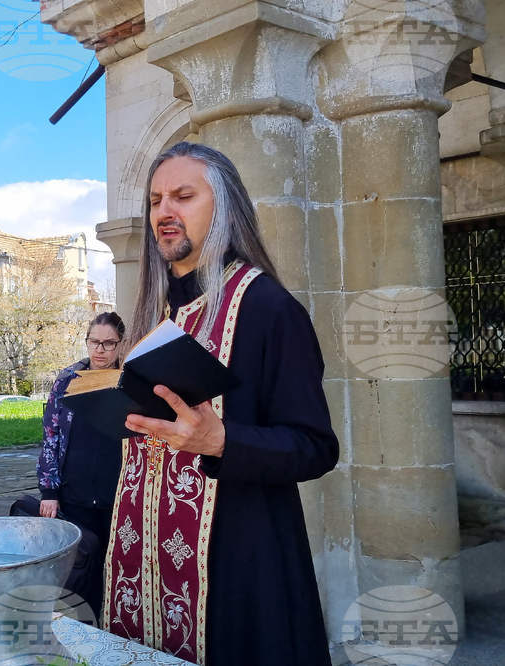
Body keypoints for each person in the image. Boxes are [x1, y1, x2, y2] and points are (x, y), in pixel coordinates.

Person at [102, 142, 339, 665]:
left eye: (184, 196)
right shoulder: (156, 317)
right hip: (145, 569)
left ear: (224, 204)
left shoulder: (269, 308)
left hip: (237, 569)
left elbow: (316, 447)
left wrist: (221, 441)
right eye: (156, 200)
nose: (165, 211)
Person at [37, 311, 127, 617]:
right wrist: (49, 490)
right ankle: (79, 629)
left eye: (108, 343)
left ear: (120, 344)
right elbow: (50, 434)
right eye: (94, 341)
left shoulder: (127, 380)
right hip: (74, 492)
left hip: (116, 493)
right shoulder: (68, 379)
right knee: (79, 570)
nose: (100, 349)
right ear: (87, 341)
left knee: (115, 568)